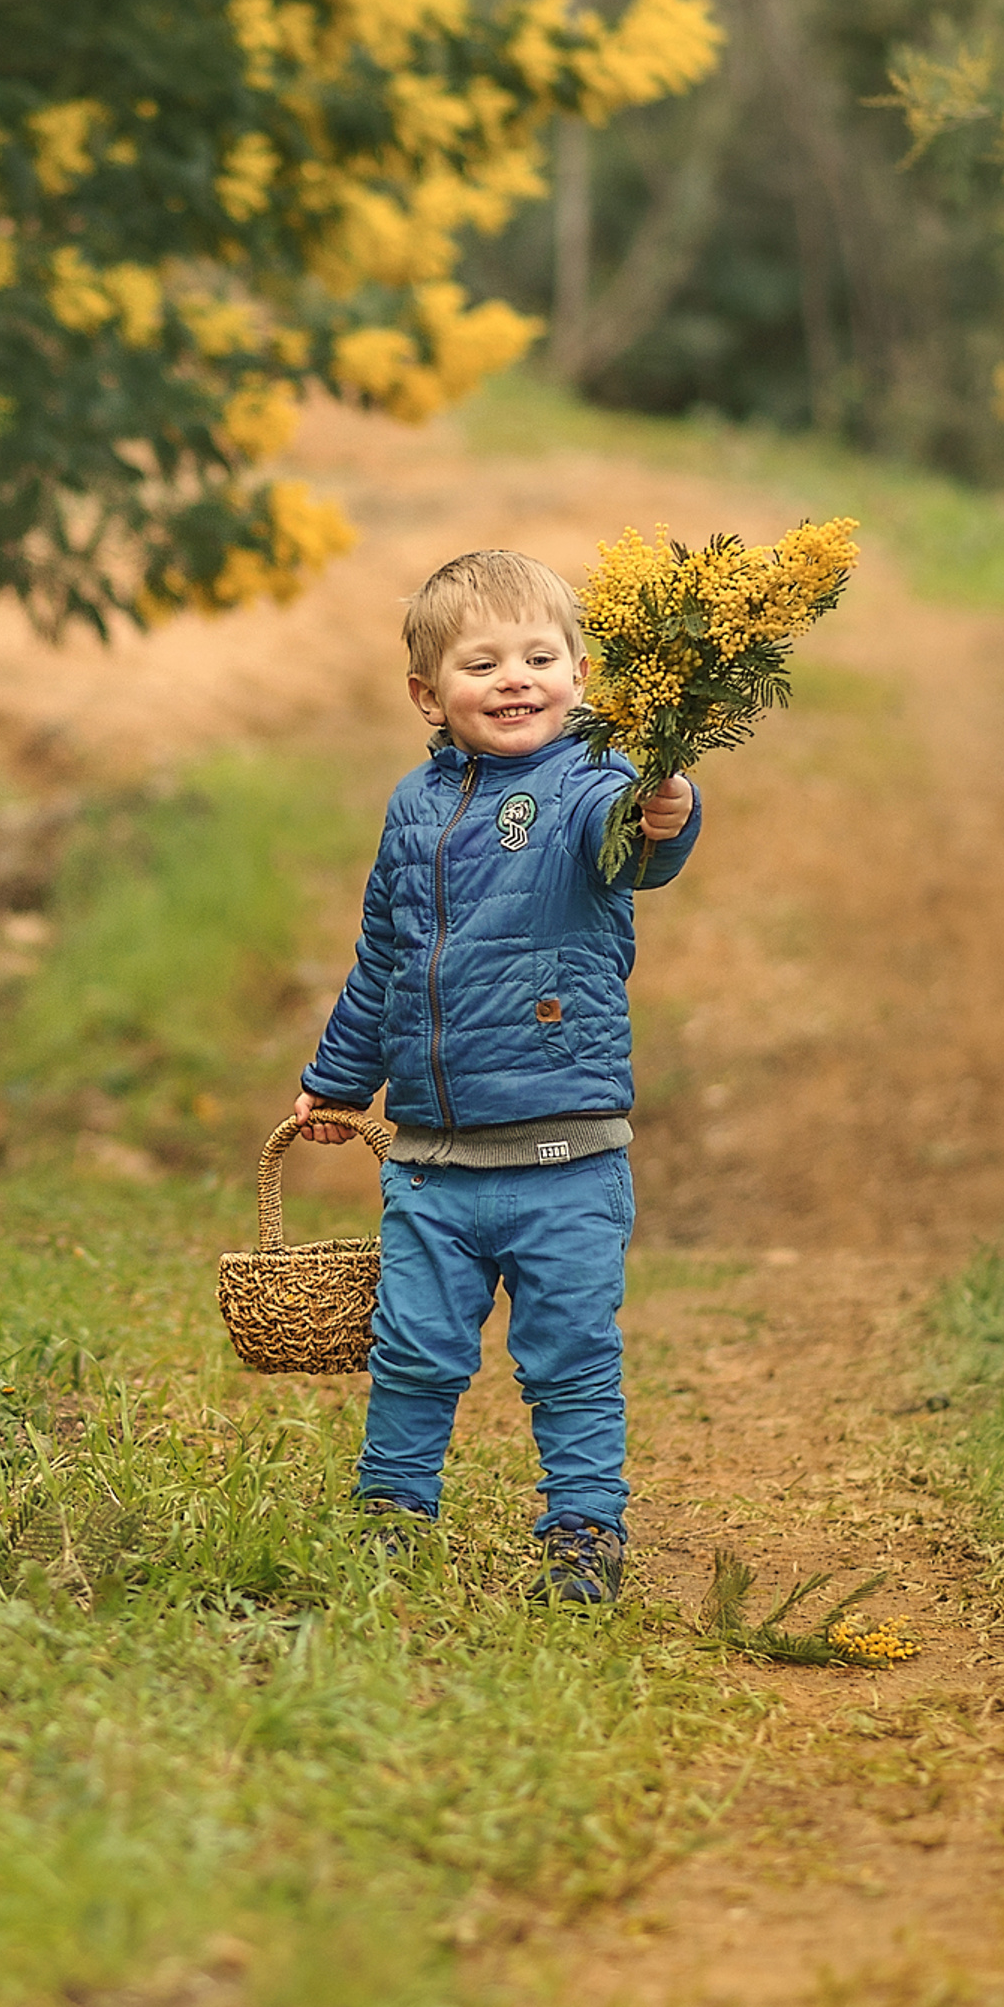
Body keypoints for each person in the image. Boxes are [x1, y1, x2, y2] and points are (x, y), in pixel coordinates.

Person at [291, 548, 700, 1604]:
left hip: (563, 1152)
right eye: (482, 664)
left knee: (566, 1352)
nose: (516, 679)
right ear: (428, 694)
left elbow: (635, 845)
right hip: (434, 1158)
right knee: (416, 1346)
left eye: (539, 656)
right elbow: (381, 957)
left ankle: (581, 1525)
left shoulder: (592, 783)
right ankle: (389, 1510)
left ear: (578, 671)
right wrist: (338, 1084)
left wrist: (668, 813)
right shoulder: (411, 809)